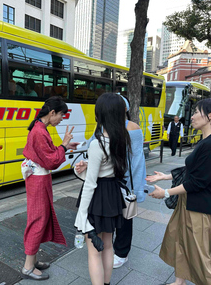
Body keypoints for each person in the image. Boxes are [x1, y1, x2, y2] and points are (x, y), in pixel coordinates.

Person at [146, 98, 211, 285]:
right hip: (190, 203)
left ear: (210, 116)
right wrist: (164, 177)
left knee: (202, 258)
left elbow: (198, 182)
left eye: (196, 112)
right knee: (180, 241)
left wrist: (166, 193)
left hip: (200, 208)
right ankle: (179, 281)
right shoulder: (207, 141)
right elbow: (191, 171)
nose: (191, 117)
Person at [74, 93, 131, 285]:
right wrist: (89, 166)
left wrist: (81, 213)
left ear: (101, 115)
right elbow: (110, 168)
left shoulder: (97, 144)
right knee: (108, 246)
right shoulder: (122, 139)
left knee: (93, 251)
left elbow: (90, 183)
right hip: (112, 194)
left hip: (97, 196)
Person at [21, 96, 78, 281]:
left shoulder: (39, 128)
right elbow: (52, 160)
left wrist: (65, 146)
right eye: (61, 114)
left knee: (40, 217)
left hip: (39, 180)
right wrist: (63, 145)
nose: (62, 118)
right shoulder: (39, 131)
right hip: (39, 181)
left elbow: (49, 154)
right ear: (52, 113)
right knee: (38, 219)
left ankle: (33, 260)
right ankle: (28, 267)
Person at [113, 94, 147, 269]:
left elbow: (137, 160)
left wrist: (135, 188)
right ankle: (115, 250)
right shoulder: (104, 125)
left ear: (125, 109)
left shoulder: (132, 127)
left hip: (124, 181)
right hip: (107, 181)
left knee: (125, 218)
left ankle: (121, 252)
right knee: (112, 216)